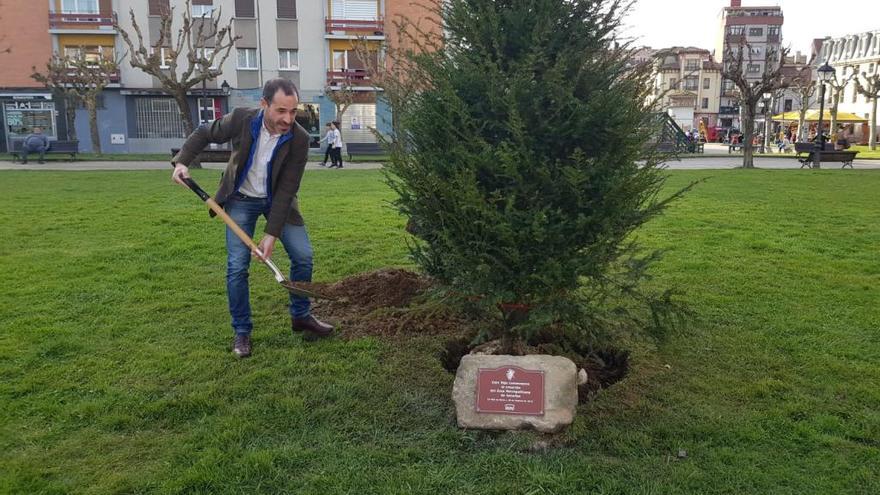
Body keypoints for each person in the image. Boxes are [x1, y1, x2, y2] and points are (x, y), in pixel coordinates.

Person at [171, 78, 334, 358]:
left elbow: (287, 190)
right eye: (281, 111)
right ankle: (242, 331)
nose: (288, 118)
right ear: (264, 105)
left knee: (303, 255)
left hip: (276, 202)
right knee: (237, 267)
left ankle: (301, 315)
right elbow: (204, 132)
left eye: (293, 112)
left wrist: (271, 235)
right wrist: (182, 162)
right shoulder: (242, 119)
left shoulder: (299, 139)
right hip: (240, 200)